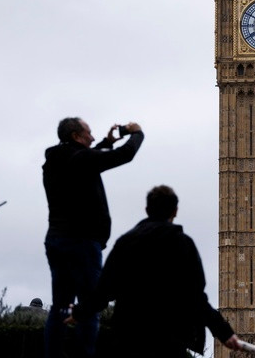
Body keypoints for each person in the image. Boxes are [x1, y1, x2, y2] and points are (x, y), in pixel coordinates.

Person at [70, 185, 240, 356]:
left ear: (147, 209)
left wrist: (80, 312)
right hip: (169, 340)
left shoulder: (125, 243)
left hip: (129, 338)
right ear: (175, 211)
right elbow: (195, 297)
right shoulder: (182, 243)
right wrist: (223, 332)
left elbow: (104, 290)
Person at [43, 117, 144, 358]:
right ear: (76, 136)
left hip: (56, 240)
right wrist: (137, 134)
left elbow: (85, 159)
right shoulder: (81, 159)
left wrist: (105, 142)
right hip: (82, 242)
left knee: (59, 306)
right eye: (88, 133)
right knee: (89, 307)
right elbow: (125, 155)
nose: (91, 136)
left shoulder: (55, 161)